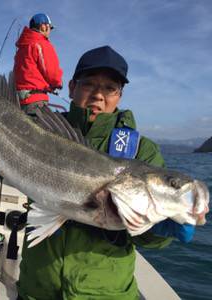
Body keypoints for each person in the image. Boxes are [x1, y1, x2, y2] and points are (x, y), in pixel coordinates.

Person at [16, 45, 196, 300]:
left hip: (107, 293)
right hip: (36, 289)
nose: (98, 95)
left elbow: (150, 240)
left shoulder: (142, 153)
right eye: (89, 84)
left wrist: (156, 229)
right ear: (71, 87)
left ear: (119, 95)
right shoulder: (42, 134)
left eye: (110, 88)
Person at [13, 13, 63, 114]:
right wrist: (58, 83)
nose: (49, 32)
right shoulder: (42, 43)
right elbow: (51, 72)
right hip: (36, 101)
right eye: (50, 28)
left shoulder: (22, 48)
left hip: (19, 100)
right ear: (43, 27)